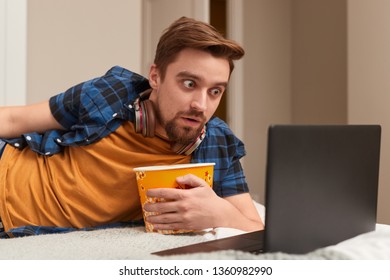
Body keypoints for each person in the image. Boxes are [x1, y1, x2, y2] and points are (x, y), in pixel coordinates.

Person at [0, 16, 263, 238]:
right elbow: (13, 120)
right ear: (155, 77)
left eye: (215, 91)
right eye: (189, 84)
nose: (201, 105)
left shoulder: (217, 142)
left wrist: (220, 213)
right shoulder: (109, 93)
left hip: (19, 229)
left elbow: (255, 228)